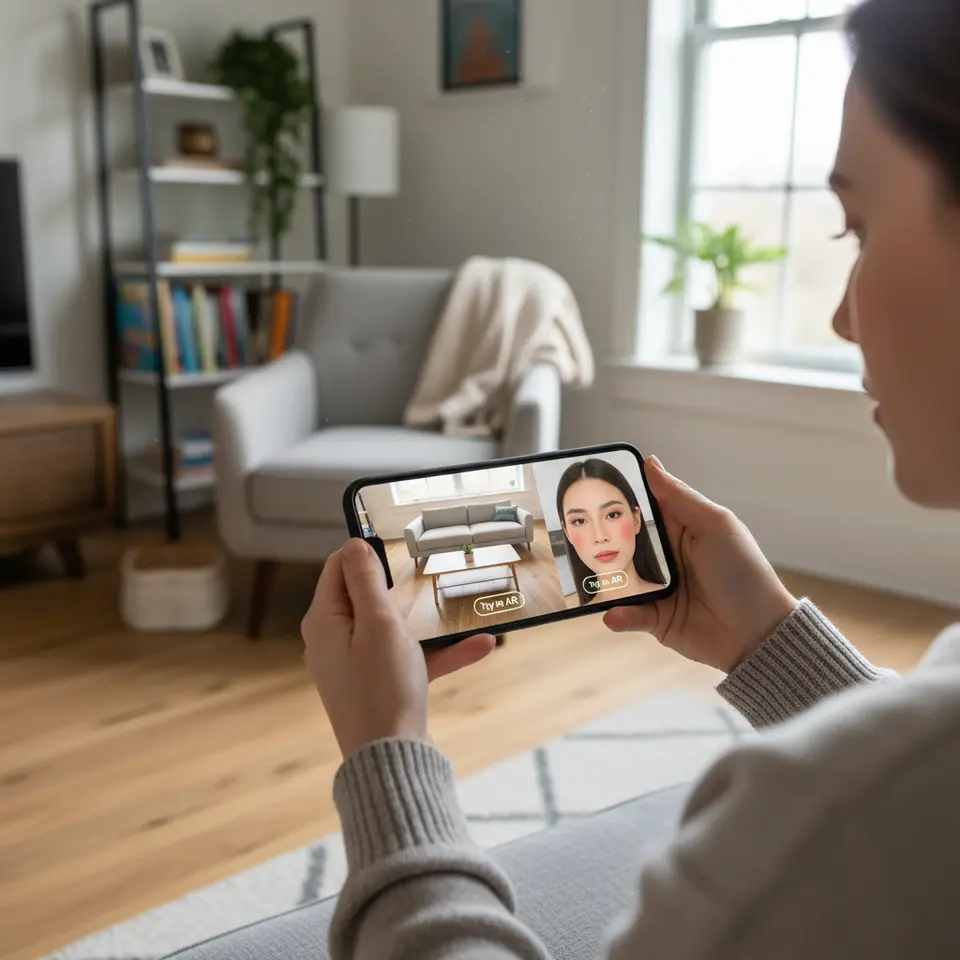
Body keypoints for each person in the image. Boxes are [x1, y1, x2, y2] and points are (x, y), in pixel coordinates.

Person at [301, 0, 960, 955]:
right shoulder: (896, 781)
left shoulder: (826, 817)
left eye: (856, 228)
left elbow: (892, 795)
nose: (842, 321)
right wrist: (771, 642)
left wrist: (385, 755)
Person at [555, 458, 666, 605]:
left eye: (612, 515)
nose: (600, 537)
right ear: (567, 533)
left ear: (636, 520)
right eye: (580, 521)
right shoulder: (572, 624)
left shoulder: (676, 601)